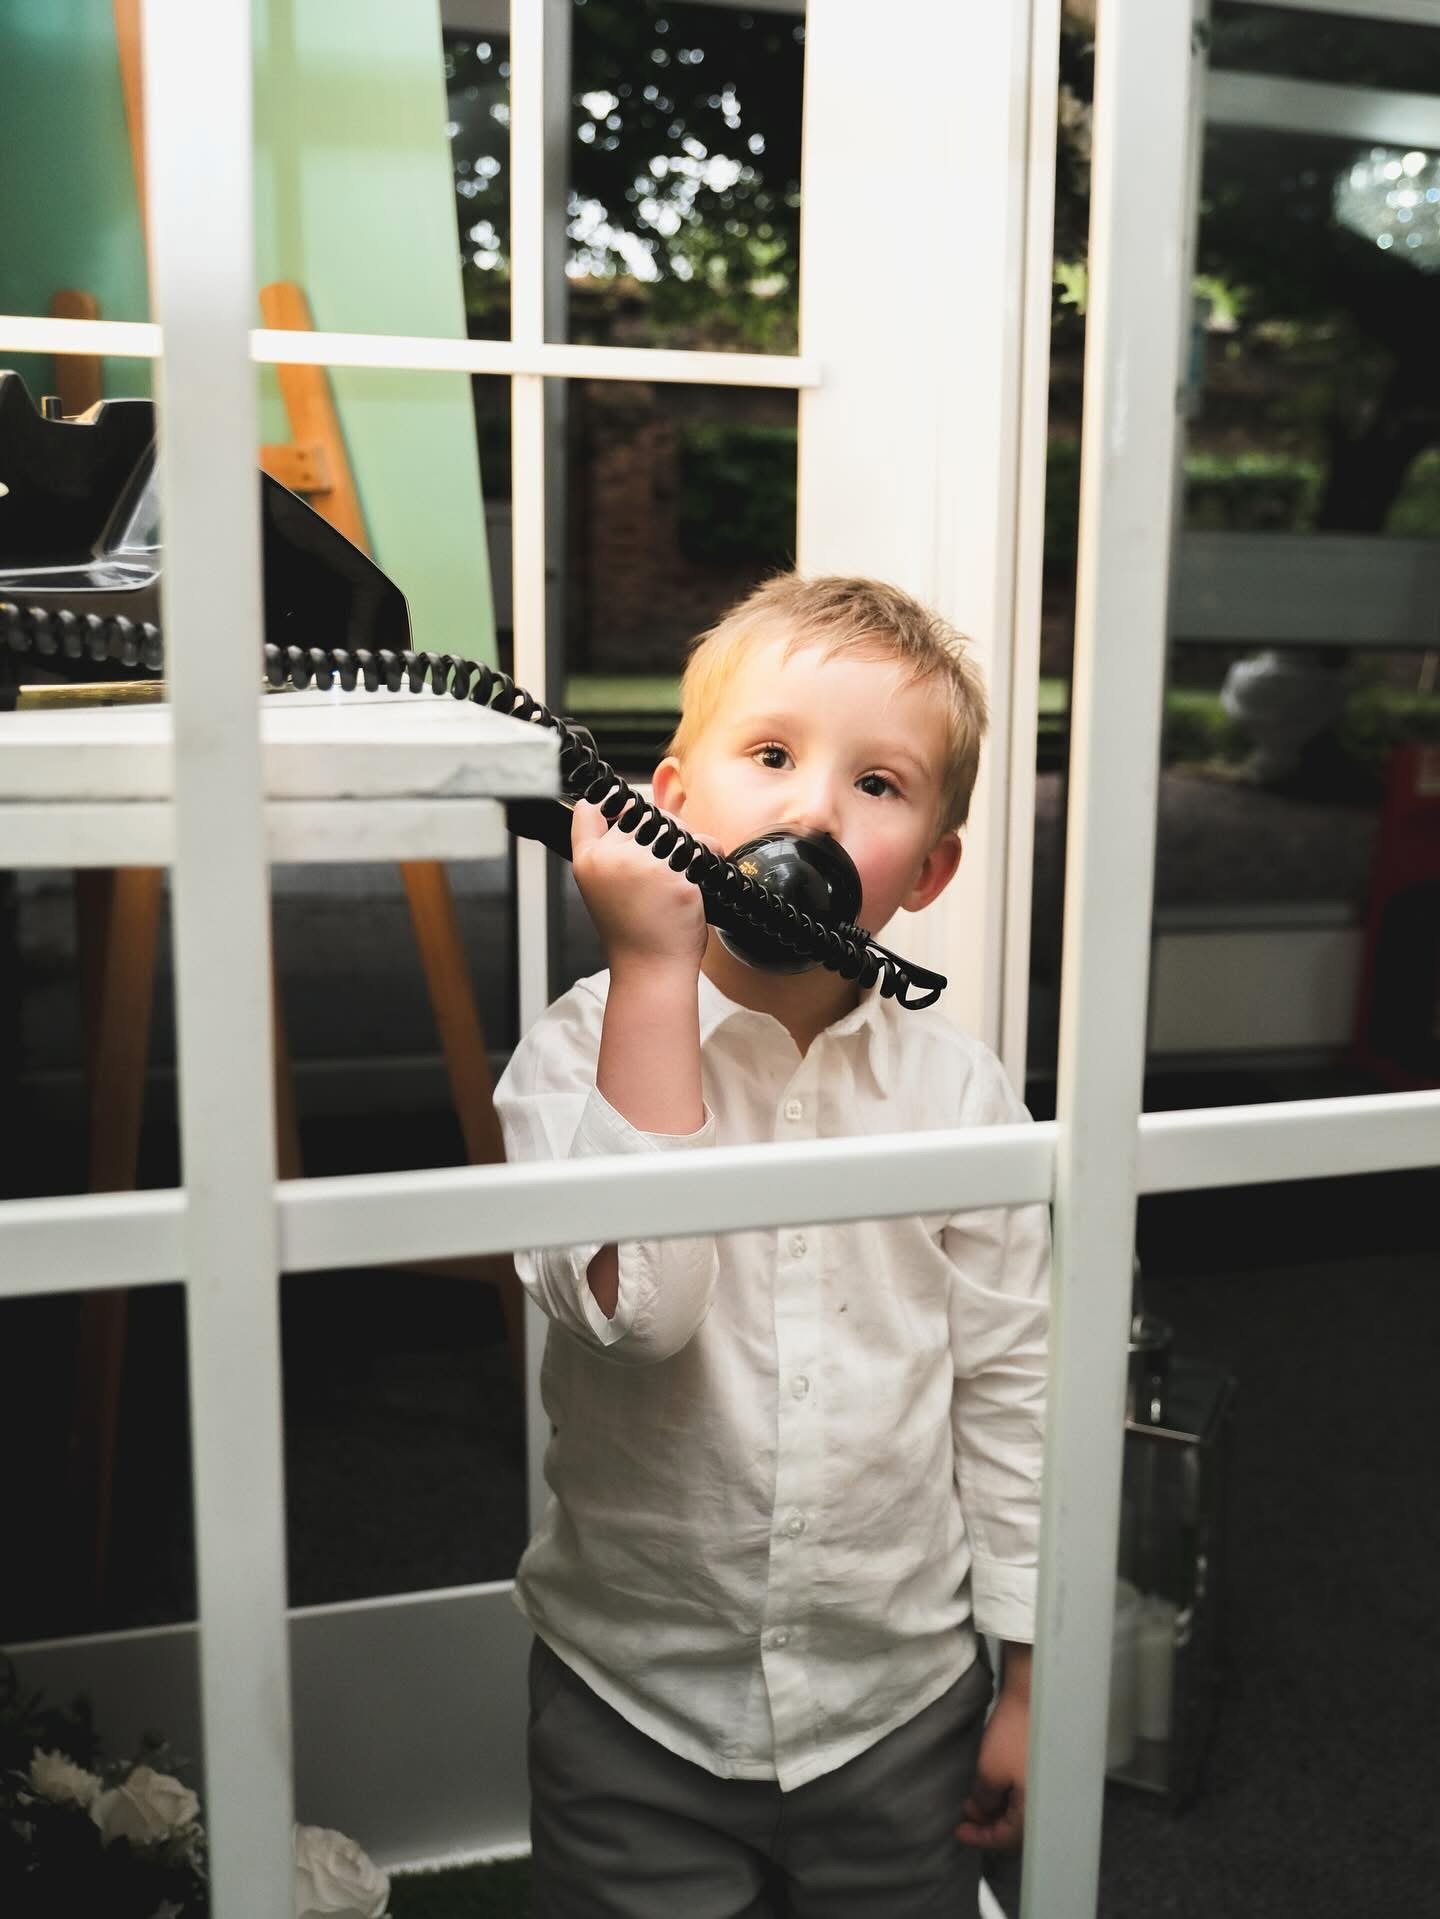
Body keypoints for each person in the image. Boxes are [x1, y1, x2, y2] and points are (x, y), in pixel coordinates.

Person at [494, 573, 1051, 1918]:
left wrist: (1032, 1676)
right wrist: (651, 973)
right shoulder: (579, 1048)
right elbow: (643, 1312)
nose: (812, 810)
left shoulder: (961, 1093)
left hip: (896, 1706)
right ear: (668, 806)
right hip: (635, 1704)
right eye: (772, 756)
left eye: (878, 782)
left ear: (929, 868)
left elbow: (1016, 1388)